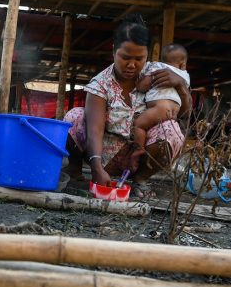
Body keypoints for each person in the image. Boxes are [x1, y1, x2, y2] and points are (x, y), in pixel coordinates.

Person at [63, 15, 191, 199]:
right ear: (113, 51)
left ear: (148, 55)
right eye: (125, 57)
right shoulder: (101, 84)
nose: (132, 65)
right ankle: (74, 171)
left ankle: (140, 180)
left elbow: (185, 114)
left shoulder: (158, 74)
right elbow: (95, 130)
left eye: (139, 58)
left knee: (172, 129)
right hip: (103, 156)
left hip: (139, 157)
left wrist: (181, 86)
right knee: (74, 117)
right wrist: (97, 168)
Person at [130, 43, 191, 170]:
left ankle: (138, 149)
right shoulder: (185, 76)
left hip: (160, 108)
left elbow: (142, 87)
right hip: (174, 111)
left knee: (139, 124)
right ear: (183, 64)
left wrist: (141, 83)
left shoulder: (157, 68)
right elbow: (187, 109)